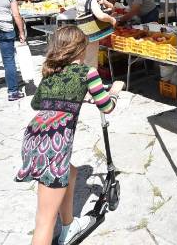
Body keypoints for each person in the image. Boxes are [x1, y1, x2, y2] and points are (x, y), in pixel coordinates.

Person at [15, 26, 122, 245]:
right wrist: (114, 93)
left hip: (35, 135)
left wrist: (70, 99)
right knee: (44, 220)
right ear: (80, 49)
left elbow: (37, 103)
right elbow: (106, 107)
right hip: (54, 143)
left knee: (70, 173)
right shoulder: (87, 73)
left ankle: (68, 225)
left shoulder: (51, 72)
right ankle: (61, 228)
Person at [77, 0, 117, 68]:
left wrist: (103, 1)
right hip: (91, 35)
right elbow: (100, 16)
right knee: (91, 63)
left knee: (83, 60)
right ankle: (91, 82)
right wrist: (112, 20)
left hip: (81, 33)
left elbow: (111, 7)